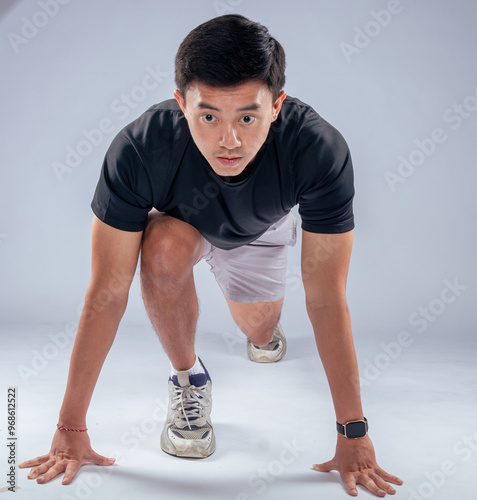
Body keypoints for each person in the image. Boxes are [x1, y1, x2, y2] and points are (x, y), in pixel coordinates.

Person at [19, 14, 403, 496]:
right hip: (185, 226)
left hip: (259, 226)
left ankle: (263, 333)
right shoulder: (138, 150)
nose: (229, 141)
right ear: (181, 104)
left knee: (260, 330)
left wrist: (354, 432)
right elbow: (107, 292)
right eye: (208, 117)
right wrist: (70, 428)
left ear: (277, 105)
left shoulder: (318, 149)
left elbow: (326, 298)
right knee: (160, 252)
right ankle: (189, 380)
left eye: (247, 116)